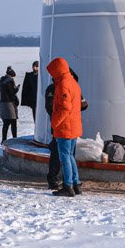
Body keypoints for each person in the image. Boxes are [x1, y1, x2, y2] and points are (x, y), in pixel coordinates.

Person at [47, 57, 83, 197]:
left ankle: (68, 186)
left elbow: (65, 107)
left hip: (65, 127)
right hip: (73, 125)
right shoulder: (73, 82)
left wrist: (54, 123)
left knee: (65, 158)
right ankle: (76, 183)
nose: (51, 75)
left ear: (57, 70)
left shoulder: (63, 84)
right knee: (70, 156)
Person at [0, 66, 20, 142]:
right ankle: (15, 139)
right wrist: (16, 89)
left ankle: (3, 139)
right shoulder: (10, 81)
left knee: (6, 123)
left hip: (3, 103)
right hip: (9, 104)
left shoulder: (2, 80)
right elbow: (12, 93)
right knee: (13, 122)